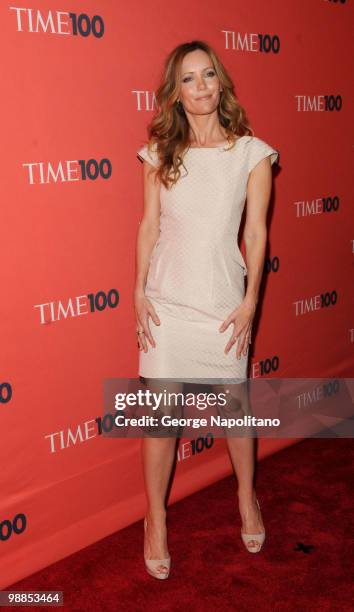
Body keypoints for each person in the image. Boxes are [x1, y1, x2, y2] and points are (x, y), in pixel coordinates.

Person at [134, 40, 279, 579]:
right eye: (188, 79)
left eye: (208, 76)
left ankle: (247, 498)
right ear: (175, 91)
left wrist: (250, 302)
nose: (200, 87)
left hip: (223, 303)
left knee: (235, 412)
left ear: (222, 83)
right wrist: (137, 291)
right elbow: (149, 227)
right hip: (167, 303)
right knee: (161, 420)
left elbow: (257, 232)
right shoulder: (158, 153)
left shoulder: (251, 153)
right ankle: (155, 519)